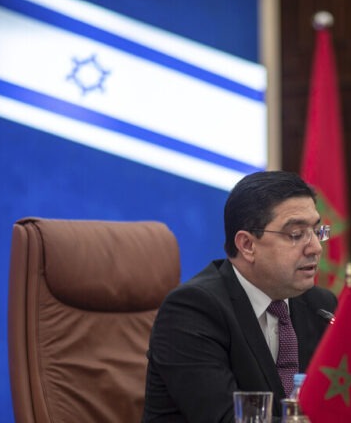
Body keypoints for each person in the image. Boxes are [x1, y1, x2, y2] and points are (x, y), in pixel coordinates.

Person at [141, 170, 338, 422]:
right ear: (247, 245)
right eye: (296, 234)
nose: (316, 248)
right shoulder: (192, 310)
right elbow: (226, 419)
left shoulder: (320, 307)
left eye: (317, 231)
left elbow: (339, 402)